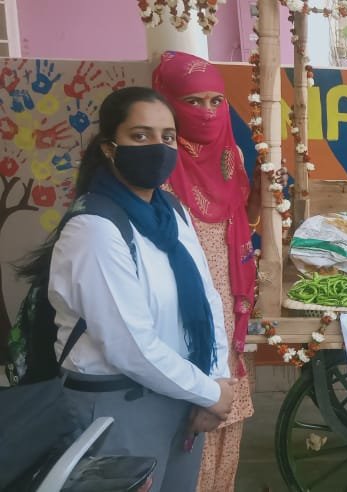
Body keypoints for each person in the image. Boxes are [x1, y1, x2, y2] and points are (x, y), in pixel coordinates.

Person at [45, 86, 235, 490]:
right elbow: (129, 345)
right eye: (140, 135)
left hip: (183, 397)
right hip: (117, 406)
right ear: (110, 147)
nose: (157, 147)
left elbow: (208, 299)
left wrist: (215, 381)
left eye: (168, 137)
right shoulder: (95, 228)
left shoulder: (173, 212)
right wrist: (208, 392)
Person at [151, 50, 285, 491]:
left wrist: (262, 191)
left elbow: (244, 218)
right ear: (168, 103)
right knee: (190, 408)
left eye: (215, 100)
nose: (208, 111)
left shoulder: (231, 154)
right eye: (193, 101)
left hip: (228, 295)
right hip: (181, 302)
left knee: (227, 407)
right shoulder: (157, 162)